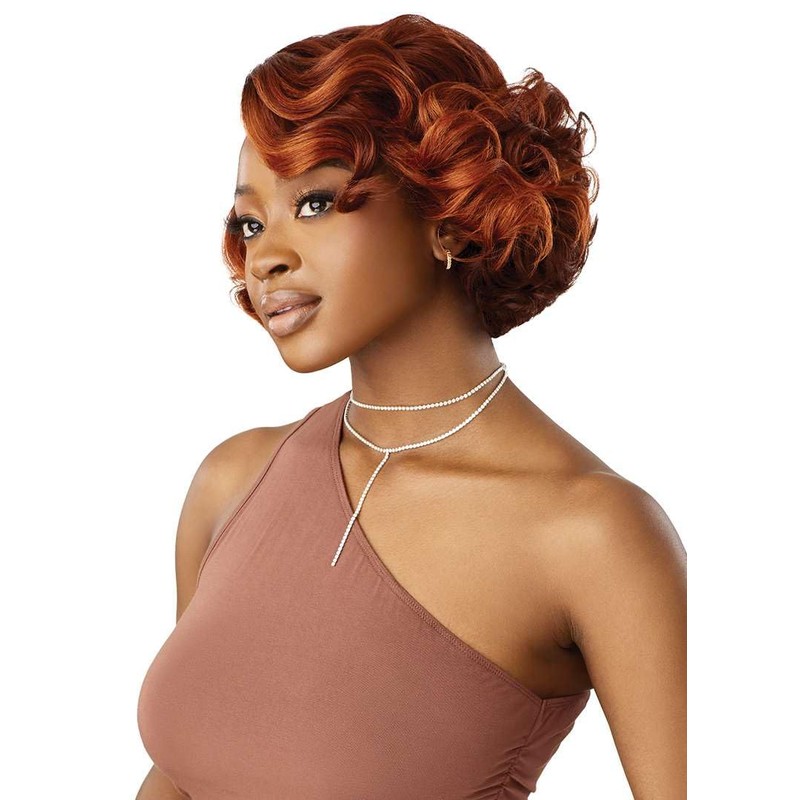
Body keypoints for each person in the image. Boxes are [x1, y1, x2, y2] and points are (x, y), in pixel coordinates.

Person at [135, 13, 686, 800]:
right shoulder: (232, 481)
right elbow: (186, 773)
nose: (266, 256)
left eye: (314, 203)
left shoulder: (595, 533)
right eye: (251, 221)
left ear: (446, 213)